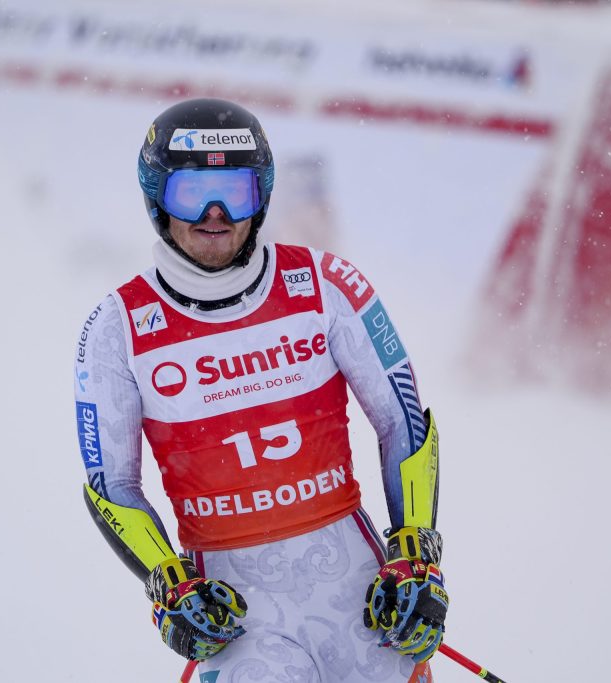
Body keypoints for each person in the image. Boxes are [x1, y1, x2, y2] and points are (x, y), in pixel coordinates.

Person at [74, 98, 448, 682]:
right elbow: (112, 486)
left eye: (235, 193)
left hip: (361, 602)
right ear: (157, 198)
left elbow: (403, 422)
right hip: (238, 619)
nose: (216, 214)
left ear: (263, 195)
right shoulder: (116, 328)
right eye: (192, 194)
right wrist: (169, 584)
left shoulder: (326, 283)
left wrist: (416, 553)